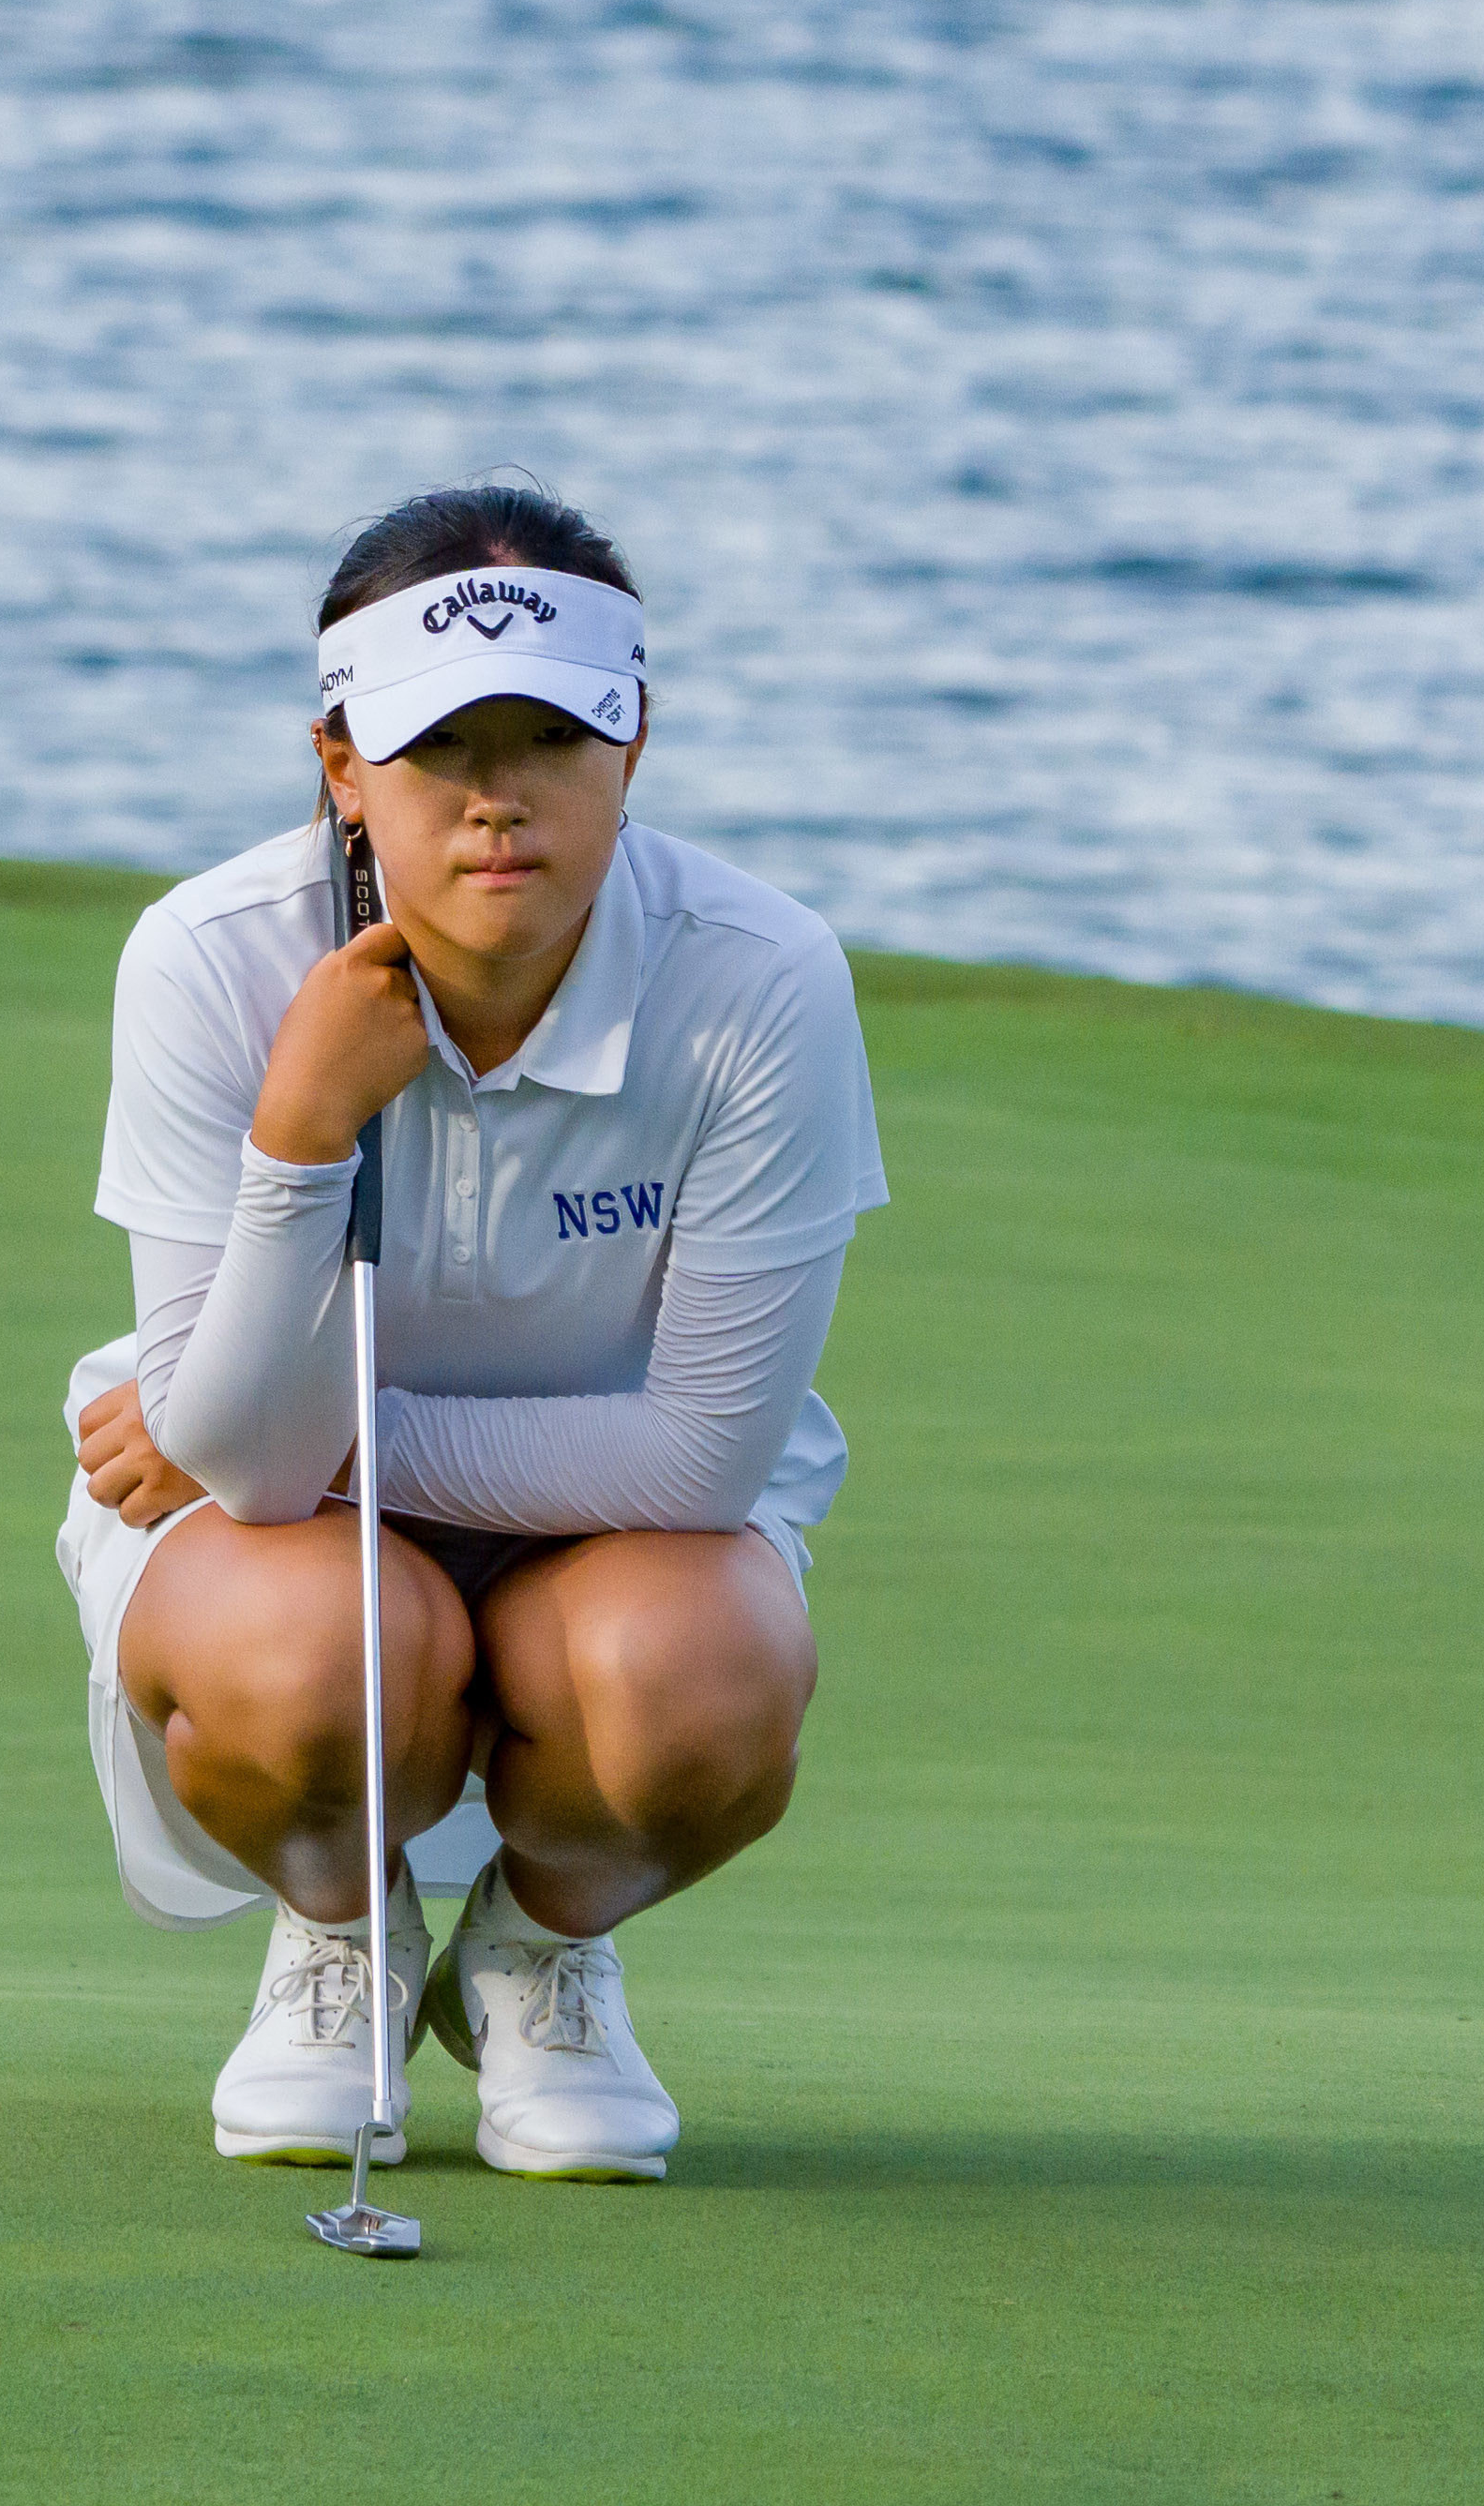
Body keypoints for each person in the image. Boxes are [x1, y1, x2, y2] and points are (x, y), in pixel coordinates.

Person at [53, 481, 885, 2180]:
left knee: (709, 1682)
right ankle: (341, 1932)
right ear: (341, 763)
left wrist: (292, 1419)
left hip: (626, 1540)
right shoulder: (208, 959)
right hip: (294, 1547)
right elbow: (261, 1487)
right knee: (303, 1658)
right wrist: (298, 1136)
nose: (496, 802)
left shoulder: (762, 978)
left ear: (632, 747)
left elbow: (705, 1454)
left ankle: (537, 1947)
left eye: (550, 742)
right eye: (440, 749)